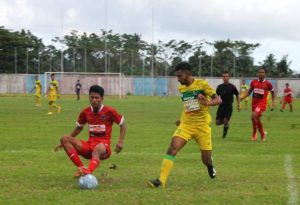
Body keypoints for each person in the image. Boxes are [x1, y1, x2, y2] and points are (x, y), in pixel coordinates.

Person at [147, 62, 222, 188]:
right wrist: (181, 119)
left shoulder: (201, 84)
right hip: (186, 125)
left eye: (180, 76)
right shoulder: (181, 88)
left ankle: (210, 165)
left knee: (206, 159)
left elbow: (218, 100)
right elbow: (189, 105)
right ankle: (160, 181)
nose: (178, 79)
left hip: (202, 127)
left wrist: (206, 103)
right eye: (177, 76)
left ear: (188, 74)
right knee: (172, 149)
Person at [55, 85, 126, 177]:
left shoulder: (109, 111)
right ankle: (81, 169)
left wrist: (120, 141)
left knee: (97, 149)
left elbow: (123, 124)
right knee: (64, 138)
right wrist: (67, 141)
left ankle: (87, 172)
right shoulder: (85, 112)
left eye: (97, 98)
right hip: (89, 146)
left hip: (103, 148)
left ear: (102, 98)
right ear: (89, 98)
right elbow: (79, 127)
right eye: (92, 97)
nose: (94, 100)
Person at [240, 67, 275, 141]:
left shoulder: (268, 84)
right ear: (257, 73)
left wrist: (273, 102)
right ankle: (262, 133)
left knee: (254, 115)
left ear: (265, 74)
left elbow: (272, 92)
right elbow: (249, 92)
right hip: (254, 103)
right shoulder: (254, 82)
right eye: (259, 72)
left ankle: (254, 133)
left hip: (262, 104)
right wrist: (243, 97)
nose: (261, 74)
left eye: (262, 72)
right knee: (256, 118)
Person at [216, 71, 240, 139]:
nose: (225, 78)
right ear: (222, 78)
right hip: (221, 107)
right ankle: (226, 124)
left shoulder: (232, 87)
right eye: (224, 76)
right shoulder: (219, 87)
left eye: (226, 76)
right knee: (217, 123)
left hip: (229, 106)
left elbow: (237, 94)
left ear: (229, 77)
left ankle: (224, 135)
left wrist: (238, 104)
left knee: (225, 121)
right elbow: (216, 96)